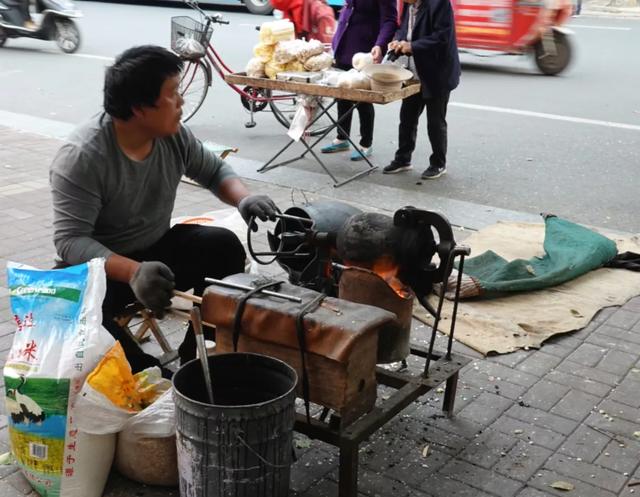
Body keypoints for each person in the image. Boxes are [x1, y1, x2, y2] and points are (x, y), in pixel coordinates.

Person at [50, 45, 278, 375]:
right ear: (140, 108)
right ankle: (156, 377)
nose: (182, 101)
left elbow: (214, 172)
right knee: (70, 310)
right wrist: (132, 272)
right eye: (173, 93)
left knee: (223, 245)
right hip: (104, 269)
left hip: (158, 249)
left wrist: (243, 199)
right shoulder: (82, 158)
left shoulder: (173, 136)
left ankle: (198, 355)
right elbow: (70, 242)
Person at [383, 0, 460, 180]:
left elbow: (442, 36)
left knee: (435, 121)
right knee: (407, 117)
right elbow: (404, 29)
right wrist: (397, 40)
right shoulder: (408, 5)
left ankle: (438, 163)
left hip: (436, 72)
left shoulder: (439, 3)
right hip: (413, 72)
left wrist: (413, 46)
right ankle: (403, 159)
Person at [321, 0, 397, 161]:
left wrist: (380, 45)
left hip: (365, 50)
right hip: (344, 44)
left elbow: (390, 20)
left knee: (363, 99)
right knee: (341, 92)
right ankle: (342, 138)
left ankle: (365, 144)